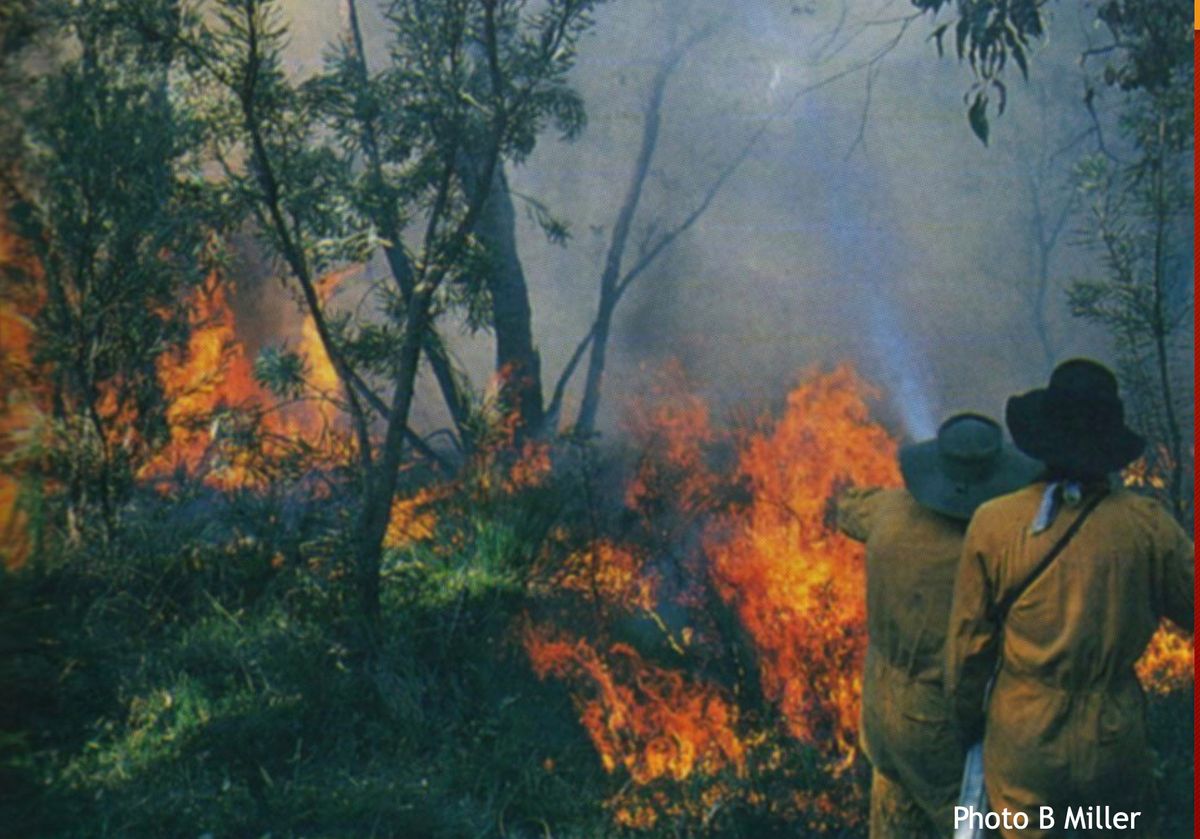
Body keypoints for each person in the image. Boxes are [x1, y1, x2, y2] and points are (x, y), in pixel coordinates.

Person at [945, 359, 1194, 838]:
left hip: (1025, 742)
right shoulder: (1148, 525)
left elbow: (967, 649)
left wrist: (968, 724)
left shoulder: (994, 522)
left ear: (1042, 441)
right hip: (1113, 741)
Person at [838, 412, 1040, 838]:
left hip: (880, 709)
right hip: (936, 722)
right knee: (967, 826)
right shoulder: (990, 546)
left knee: (894, 819)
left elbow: (847, 508)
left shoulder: (889, 513)